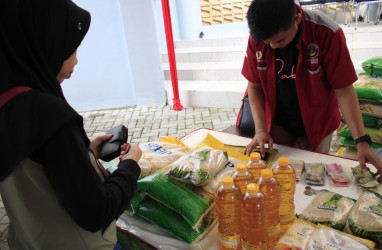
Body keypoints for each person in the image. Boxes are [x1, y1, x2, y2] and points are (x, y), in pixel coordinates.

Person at [0, 0, 142, 249]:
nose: (76, 60)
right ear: (46, 42)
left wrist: (83, 152)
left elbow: (35, 168)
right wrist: (129, 166)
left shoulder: (8, 101)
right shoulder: (50, 116)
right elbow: (96, 212)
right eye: (72, 47)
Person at [242, 0, 382, 181]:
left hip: (318, 124)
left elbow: (344, 90)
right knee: (277, 179)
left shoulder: (326, 33)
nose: (272, 47)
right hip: (278, 124)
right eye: (266, 42)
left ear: (297, 19)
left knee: (314, 179)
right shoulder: (259, 37)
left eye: (278, 40)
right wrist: (260, 129)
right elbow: (254, 86)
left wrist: (361, 141)